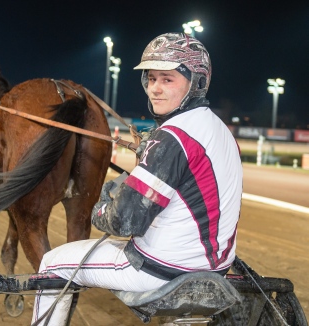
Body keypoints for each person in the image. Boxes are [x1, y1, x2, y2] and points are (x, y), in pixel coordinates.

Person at [31, 32, 243, 326]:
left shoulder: (172, 137)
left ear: (196, 82)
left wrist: (102, 206)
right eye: (152, 78)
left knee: (52, 263)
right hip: (215, 267)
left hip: (162, 269)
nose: (155, 88)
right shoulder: (221, 131)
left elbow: (124, 222)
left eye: (167, 79)